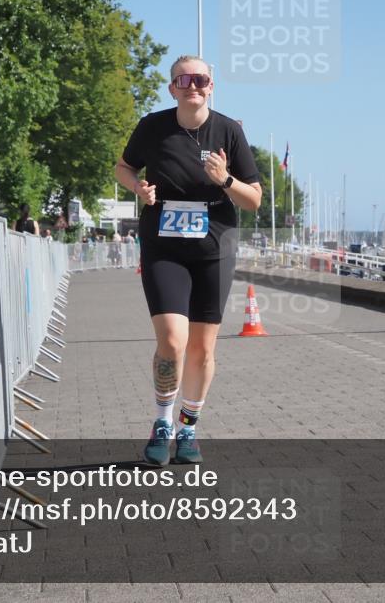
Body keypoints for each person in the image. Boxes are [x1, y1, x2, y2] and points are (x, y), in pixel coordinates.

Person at [115, 55, 262, 465]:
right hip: (164, 243)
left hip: (214, 247)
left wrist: (225, 179)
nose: (192, 85)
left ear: (211, 86)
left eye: (200, 79)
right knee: (173, 341)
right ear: (172, 88)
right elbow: (123, 167)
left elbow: (254, 199)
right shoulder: (153, 126)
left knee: (202, 348)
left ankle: (189, 427)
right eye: (184, 79)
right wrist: (138, 189)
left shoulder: (229, 131)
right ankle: (162, 421)